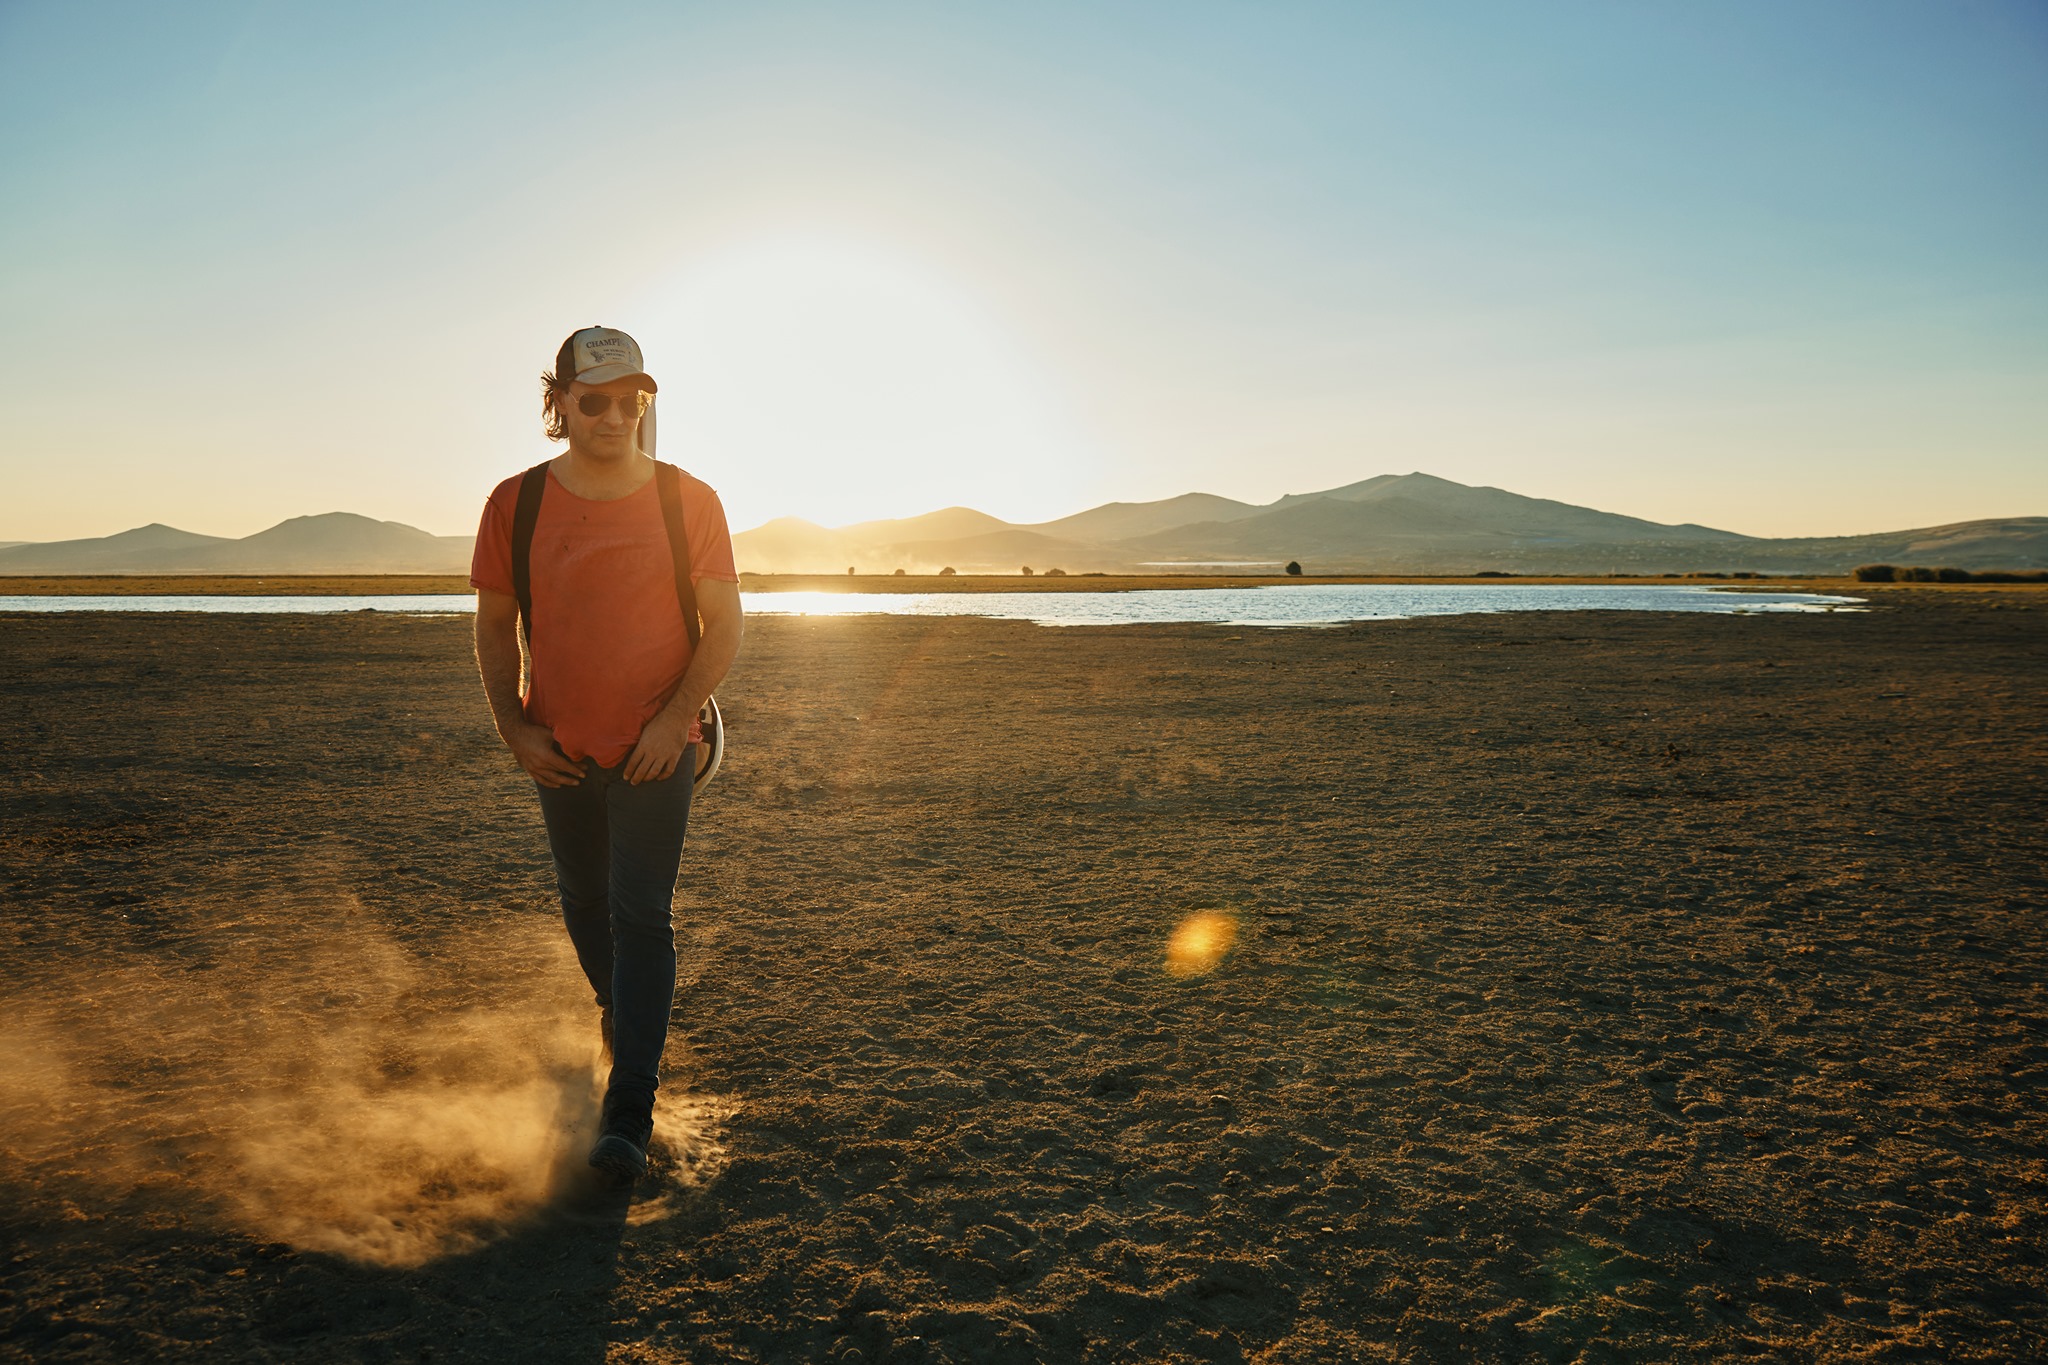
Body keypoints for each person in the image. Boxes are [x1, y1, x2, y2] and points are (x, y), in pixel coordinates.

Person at [469, 326, 743, 1183]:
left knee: (641, 915)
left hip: (658, 750)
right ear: (559, 402)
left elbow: (725, 624)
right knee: (585, 901)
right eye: (595, 400)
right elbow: (494, 625)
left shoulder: (688, 500)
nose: (616, 415)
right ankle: (616, 1011)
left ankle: (628, 1112)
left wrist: (674, 721)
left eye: (632, 399)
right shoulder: (516, 504)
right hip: (561, 748)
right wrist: (514, 728)